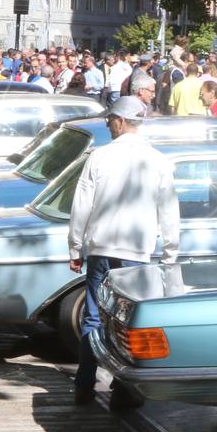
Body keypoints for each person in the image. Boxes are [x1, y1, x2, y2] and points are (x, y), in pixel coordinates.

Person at [69, 97, 177, 407]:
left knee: (93, 316)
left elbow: (81, 205)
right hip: (136, 251)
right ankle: (125, 390)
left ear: (120, 122)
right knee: (130, 322)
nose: (108, 125)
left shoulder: (100, 156)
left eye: (110, 121)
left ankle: (84, 384)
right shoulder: (158, 160)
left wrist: (75, 246)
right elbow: (169, 210)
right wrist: (170, 252)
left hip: (101, 245)